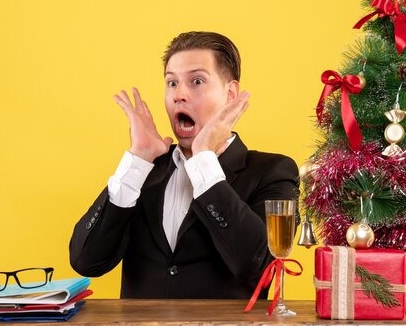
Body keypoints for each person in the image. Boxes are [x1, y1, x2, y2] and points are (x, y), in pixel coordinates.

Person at [69, 31, 299, 298]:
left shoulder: (273, 172)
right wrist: (138, 158)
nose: (179, 94)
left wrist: (204, 158)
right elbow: (86, 261)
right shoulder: (145, 171)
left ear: (230, 94)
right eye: (172, 83)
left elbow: (256, 265)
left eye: (197, 81)